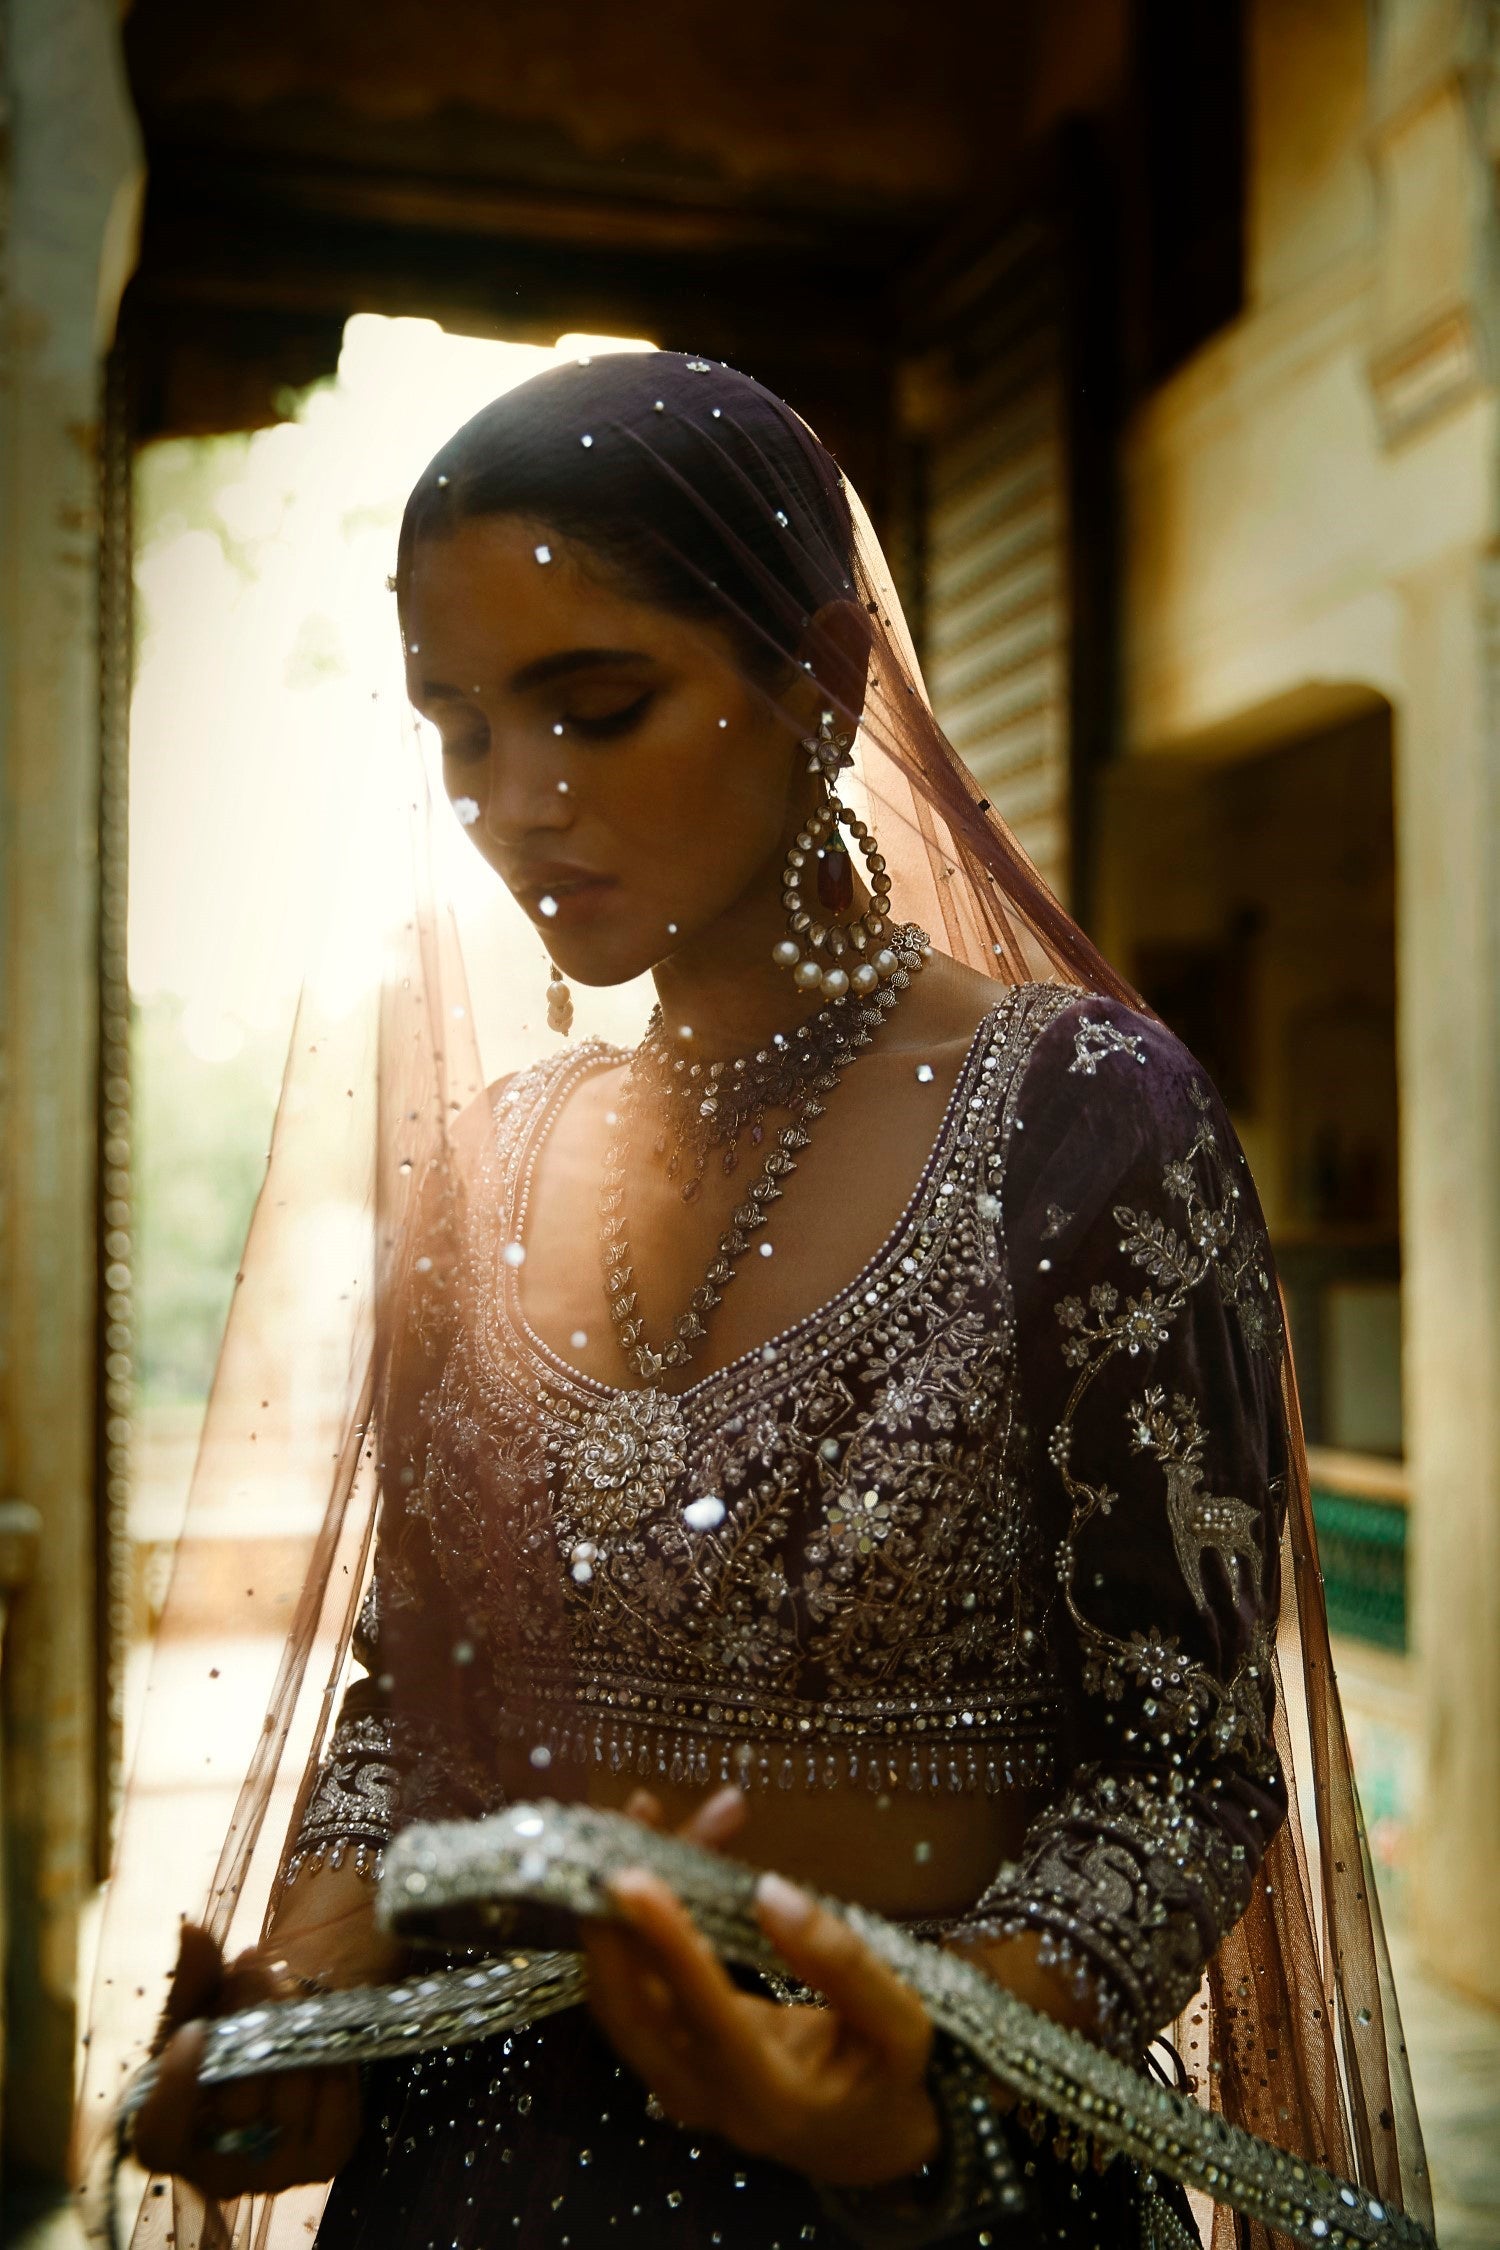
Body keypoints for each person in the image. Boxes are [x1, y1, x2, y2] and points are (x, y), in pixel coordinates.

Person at [104, 350, 1426, 2250]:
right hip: (475, 2170)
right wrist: (313, 1994)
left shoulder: (1081, 1126)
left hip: (920, 2171)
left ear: (819, 679)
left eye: (597, 704)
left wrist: (929, 2067)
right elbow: (417, 1700)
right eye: (459, 729)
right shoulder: (484, 1164)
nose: (514, 802)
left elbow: (1183, 1757)